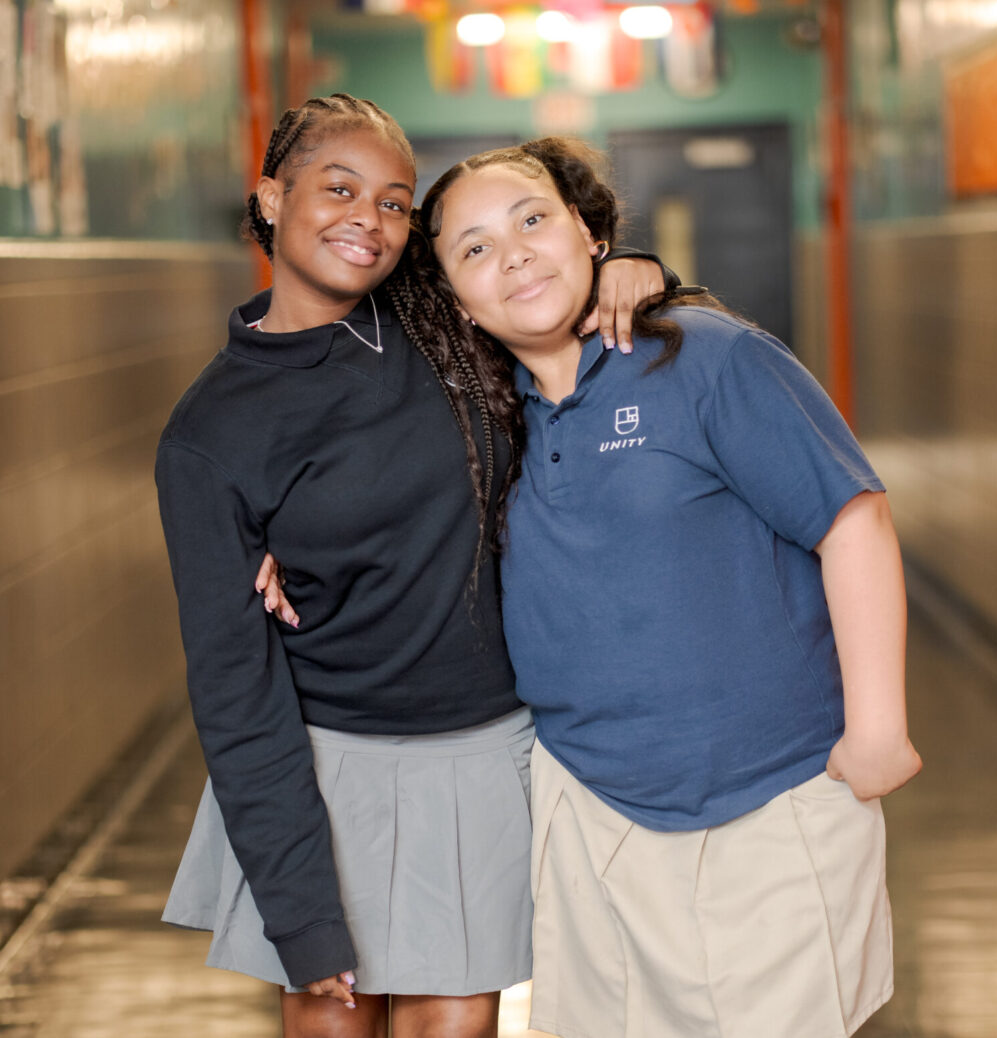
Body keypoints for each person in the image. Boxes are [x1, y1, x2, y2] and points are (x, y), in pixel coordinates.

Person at [154, 97, 667, 1038]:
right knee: (331, 1017)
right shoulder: (210, 434)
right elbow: (233, 689)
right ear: (271, 197)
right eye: (338, 188)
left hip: (485, 748)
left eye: (395, 203)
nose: (369, 219)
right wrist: (302, 911)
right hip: (324, 767)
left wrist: (633, 268)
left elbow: (543, 275)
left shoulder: (439, 318)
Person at [413, 138, 923, 1038]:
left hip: (769, 798)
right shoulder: (483, 422)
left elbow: (854, 521)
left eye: (533, 220)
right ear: (458, 298)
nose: (516, 254)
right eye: (476, 247)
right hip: (589, 813)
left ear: (587, 231)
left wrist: (878, 730)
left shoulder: (706, 358)